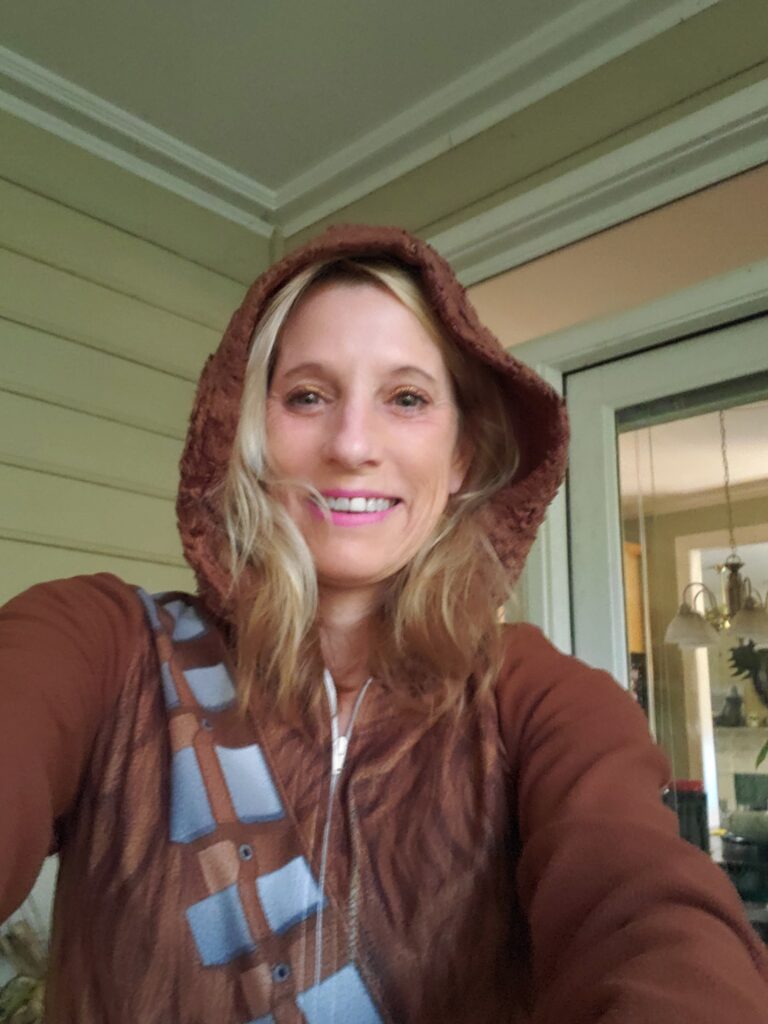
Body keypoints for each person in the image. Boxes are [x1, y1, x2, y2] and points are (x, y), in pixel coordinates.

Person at [1, 224, 767, 1023]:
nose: (352, 445)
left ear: (462, 454)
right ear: (245, 433)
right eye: (307, 395)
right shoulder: (103, 644)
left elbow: (654, 920)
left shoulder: (538, 698)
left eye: (406, 399)